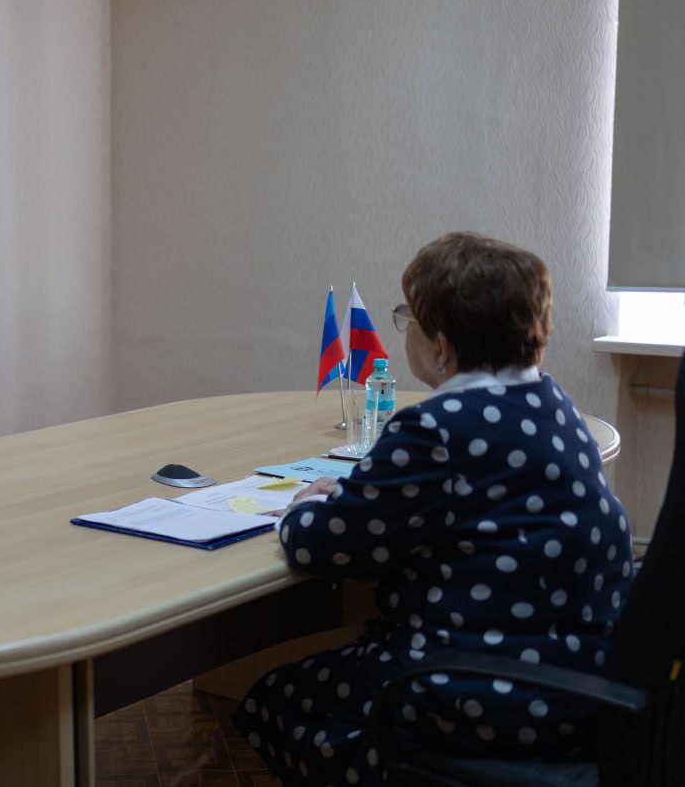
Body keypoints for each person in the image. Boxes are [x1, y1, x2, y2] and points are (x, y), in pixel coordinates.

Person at [232, 232, 635, 785]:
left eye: (408, 318)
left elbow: (326, 545)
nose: (406, 330)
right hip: (586, 685)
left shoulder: (436, 429)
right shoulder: (556, 406)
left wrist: (305, 505)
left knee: (279, 699)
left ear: (442, 347)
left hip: (482, 692)